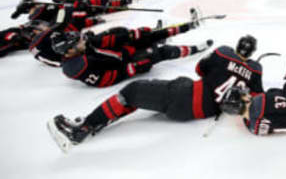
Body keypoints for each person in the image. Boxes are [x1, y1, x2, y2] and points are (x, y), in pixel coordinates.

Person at [47, 35, 265, 152]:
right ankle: (103, 120)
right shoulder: (256, 70)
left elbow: (200, 69)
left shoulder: (222, 51)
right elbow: (256, 97)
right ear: (252, 52)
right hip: (204, 110)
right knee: (155, 91)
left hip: (186, 98)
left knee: (133, 91)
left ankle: (83, 127)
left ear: (238, 45)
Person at [54, 20, 211, 88]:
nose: (82, 41)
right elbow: (106, 80)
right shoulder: (79, 66)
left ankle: (186, 27)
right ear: (70, 50)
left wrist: (130, 35)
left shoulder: (85, 45)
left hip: (123, 50)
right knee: (162, 53)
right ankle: (195, 49)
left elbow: (108, 40)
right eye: (78, 42)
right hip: (127, 62)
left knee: (148, 35)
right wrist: (133, 68)